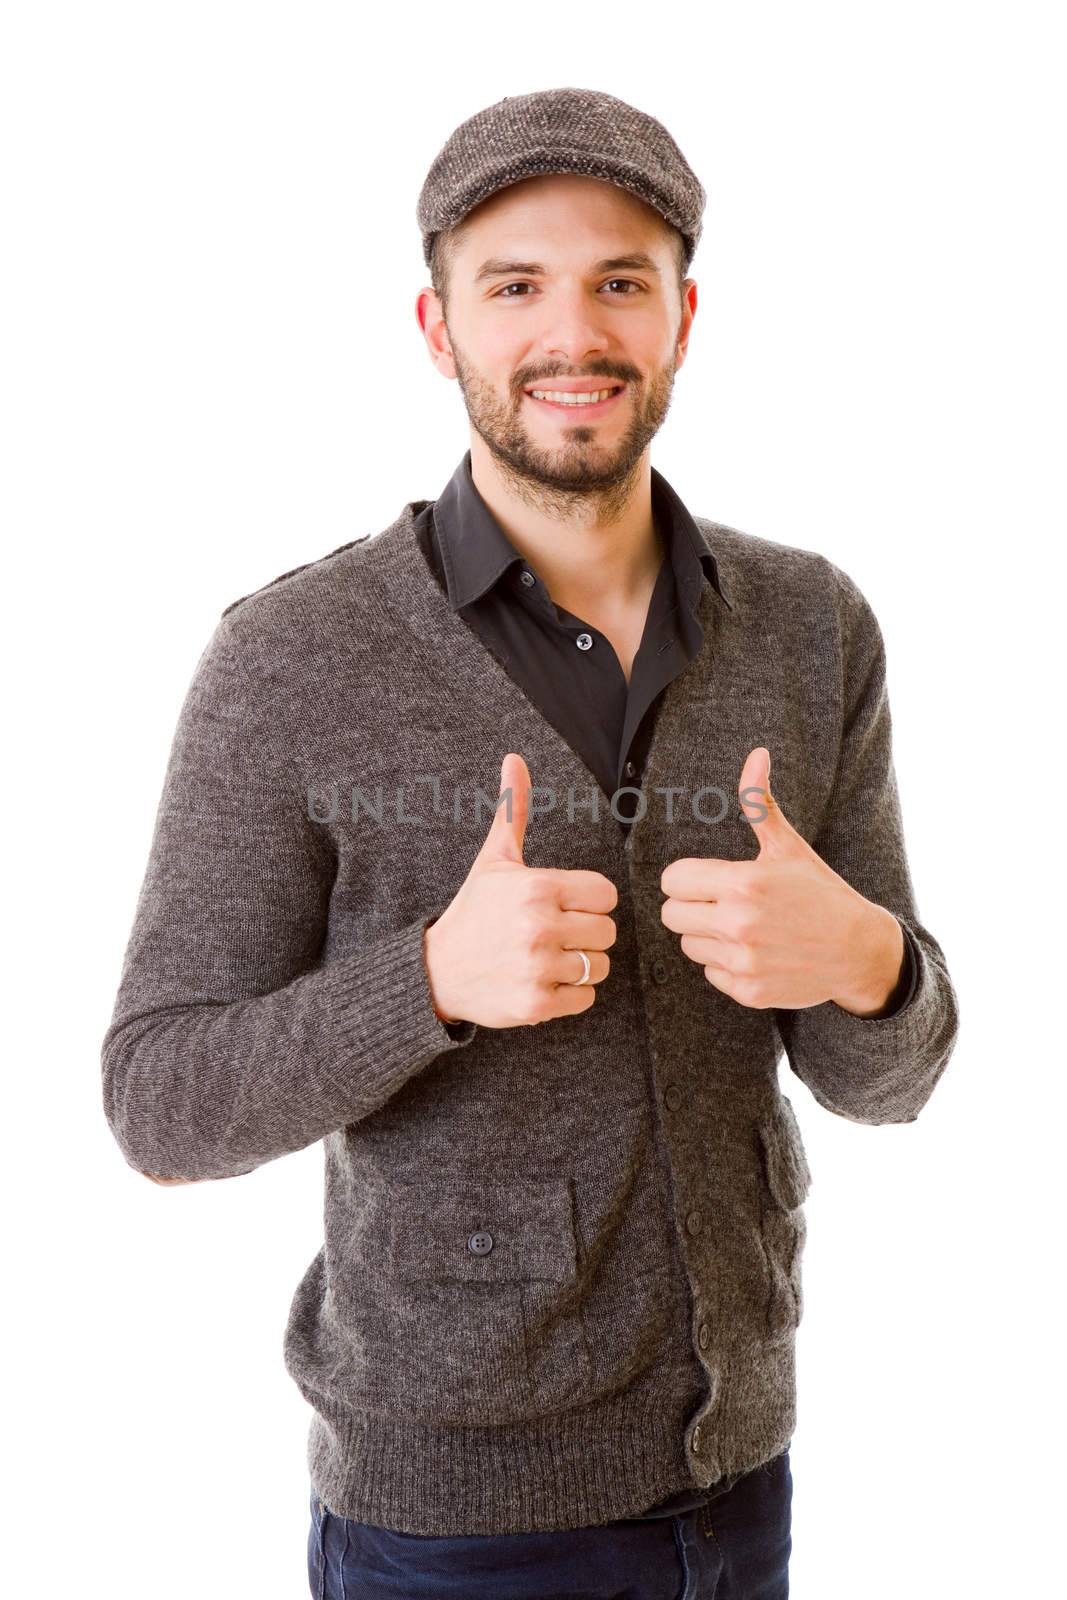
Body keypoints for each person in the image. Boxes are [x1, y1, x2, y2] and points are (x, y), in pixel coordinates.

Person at [101, 87, 960, 1598]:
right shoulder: (291, 656)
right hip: (449, 1524)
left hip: (741, 1480)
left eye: (619, 280)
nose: (575, 334)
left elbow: (888, 1079)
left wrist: (874, 966)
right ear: (438, 331)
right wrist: (426, 980)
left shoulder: (813, 625)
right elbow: (158, 1102)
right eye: (515, 286)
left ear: (683, 317)